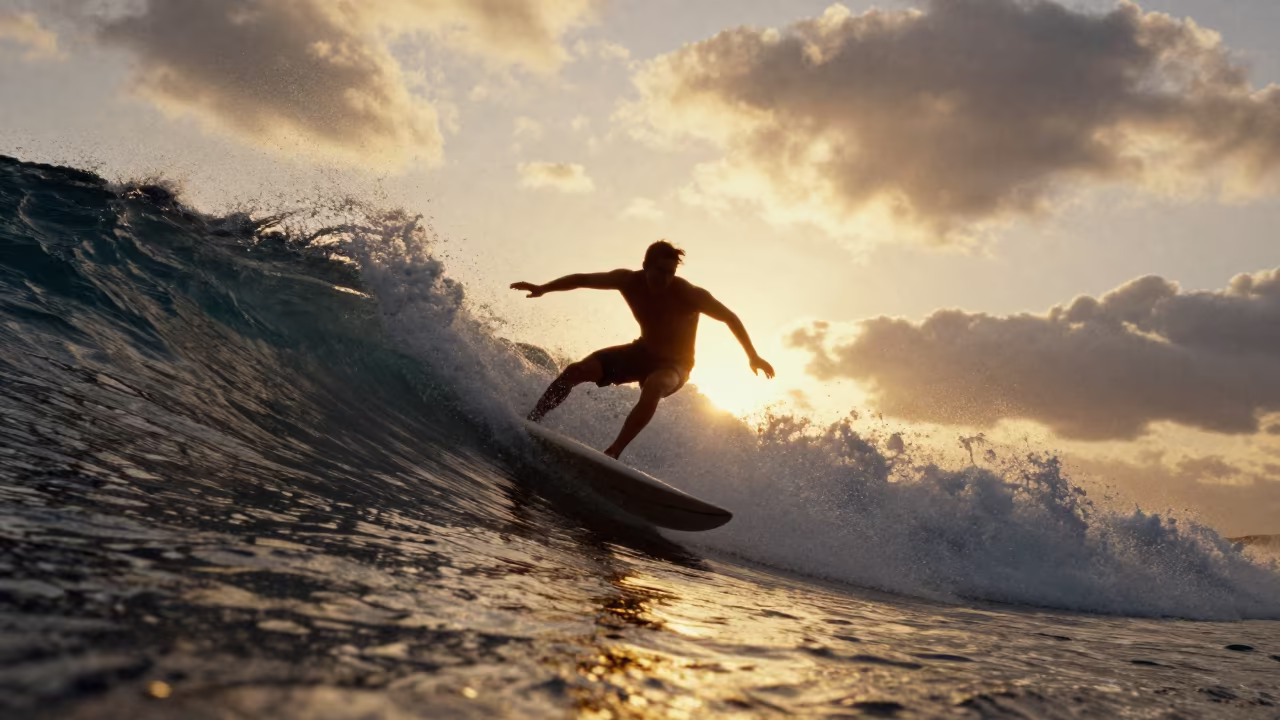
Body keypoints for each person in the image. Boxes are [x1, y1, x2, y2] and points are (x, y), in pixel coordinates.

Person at [511, 240, 775, 459]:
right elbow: (582, 279)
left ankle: (614, 452)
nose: (665, 278)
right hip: (640, 353)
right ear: (645, 266)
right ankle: (532, 420)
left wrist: (753, 356)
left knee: (655, 385)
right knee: (575, 371)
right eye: (660, 271)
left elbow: (730, 317)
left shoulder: (689, 294)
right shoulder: (628, 280)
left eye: (670, 272)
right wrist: (543, 288)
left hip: (676, 365)